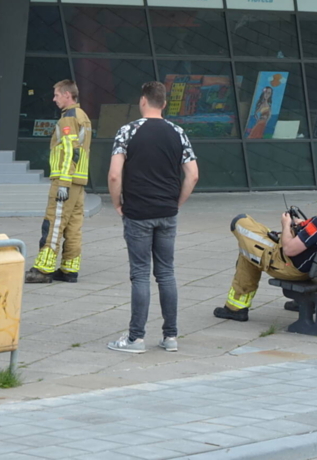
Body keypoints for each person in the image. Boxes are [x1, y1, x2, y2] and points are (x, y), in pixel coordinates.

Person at [106, 81, 198, 354]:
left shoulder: (128, 131)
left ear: (143, 101)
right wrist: (176, 202)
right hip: (167, 212)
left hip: (138, 212)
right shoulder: (177, 132)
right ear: (164, 104)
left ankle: (135, 339)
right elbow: (193, 175)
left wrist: (117, 203)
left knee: (140, 274)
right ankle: (170, 336)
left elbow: (114, 175)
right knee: (166, 273)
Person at [214, 173, 317, 322]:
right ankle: (238, 306)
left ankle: (236, 307)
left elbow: (289, 249)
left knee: (241, 223)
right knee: (251, 246)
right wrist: (303, 224)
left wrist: (286, 225)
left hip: (292, 268)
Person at [25, 80, 92, 283]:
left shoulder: (68, 118)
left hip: (66, 180)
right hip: (79, 180)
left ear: (67, 95)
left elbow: (70, 150)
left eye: (56, 95)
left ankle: (43, 269)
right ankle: (69, 269)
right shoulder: (82, 116)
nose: (54, 99)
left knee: (54, 222)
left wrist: (63, 182)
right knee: (73, 227)